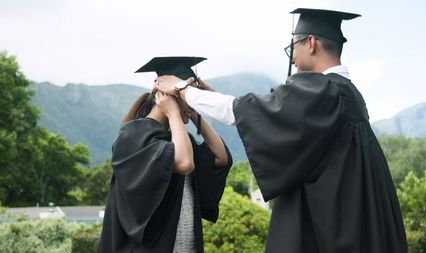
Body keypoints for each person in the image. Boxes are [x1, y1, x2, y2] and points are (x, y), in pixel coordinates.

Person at [154, 8, 408, 253]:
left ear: (310, 43)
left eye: (292, 47)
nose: (292, 57)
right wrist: (213, 98)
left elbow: (250, 113)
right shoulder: (347, 93)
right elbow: (262, 113)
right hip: (351, 220)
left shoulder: (323, 90)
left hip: (330, 226)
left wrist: (182, 89)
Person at [97, 57, 232, 253]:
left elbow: (220, 158)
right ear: (172, 96)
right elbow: (184, 163)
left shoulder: (177, 137)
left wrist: (193, 112)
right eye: (188, 93)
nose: (193, 98)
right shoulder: (133, 136)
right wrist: (175, 114)